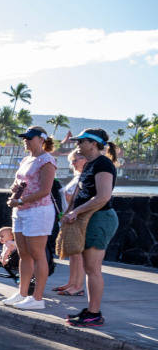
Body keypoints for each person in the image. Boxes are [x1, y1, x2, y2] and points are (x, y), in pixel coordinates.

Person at [62, 129, 120, 327]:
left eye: (81, 141)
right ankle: (90, 310)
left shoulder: (103, 164)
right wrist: (71, 212)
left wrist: (76, 211)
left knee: (93, 269)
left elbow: (103, 196)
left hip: (100, 218)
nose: (77, 145)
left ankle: (95, 314)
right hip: (91, 218)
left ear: (93, 143)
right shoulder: (91, 164)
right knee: (89, 268)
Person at [2, 126, 56, 311]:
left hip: (38, 211)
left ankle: (37, 298)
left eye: (30, 137)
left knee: (37, 254)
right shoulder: (26, 159)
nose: (26, 140)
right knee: (23, 254)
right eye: (24, 137)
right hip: (21, 210)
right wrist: (15, 192)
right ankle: (22, 293)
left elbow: (45, 190)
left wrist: (20, 200)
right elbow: (19, 182)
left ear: (42, 140)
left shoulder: (47, 160)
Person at [53, 149, 88, 296]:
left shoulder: (85, 177)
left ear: (85, 159)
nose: (72, 163)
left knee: (78, 253)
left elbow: (78, 198)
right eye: (71, 161)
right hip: (69, 218)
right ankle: (71, 282)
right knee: (73, 253)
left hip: (77, 218)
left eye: (76, 160)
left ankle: (78, 286)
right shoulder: (78, 177)